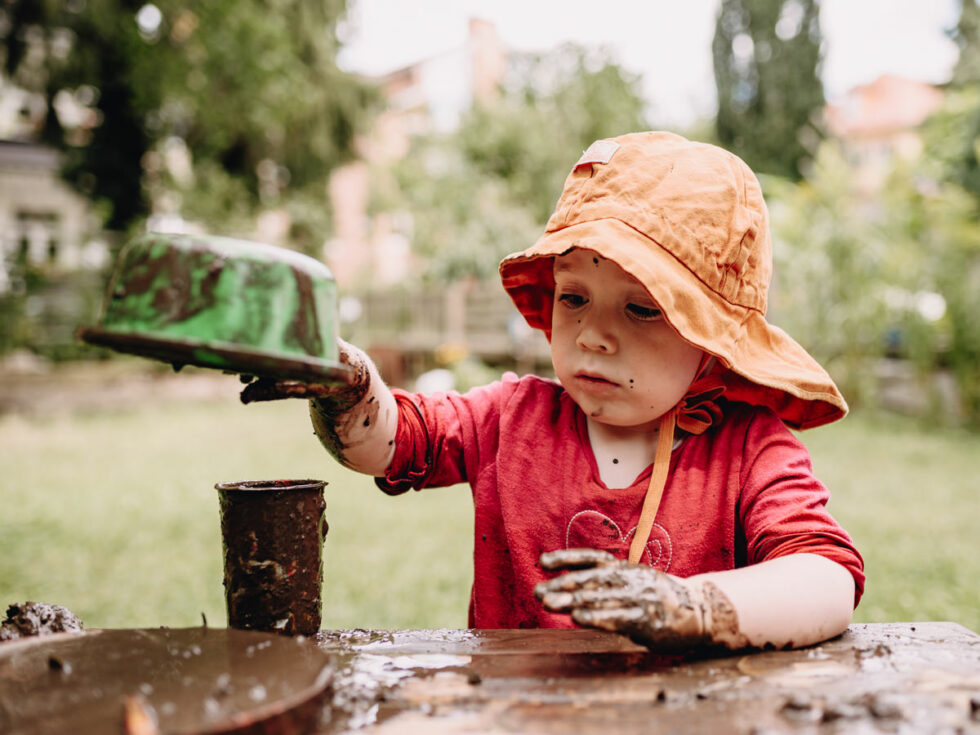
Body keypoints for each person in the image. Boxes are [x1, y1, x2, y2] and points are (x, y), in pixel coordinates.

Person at [242, 131, 864, 652]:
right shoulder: (512, 419)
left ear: (713, 340)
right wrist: (348, 386)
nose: (593, 334)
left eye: (642, 309)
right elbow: (396, 443)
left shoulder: (750, 447)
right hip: (515, 714)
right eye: (574, 297)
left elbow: (827, 577)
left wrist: (694, 605)